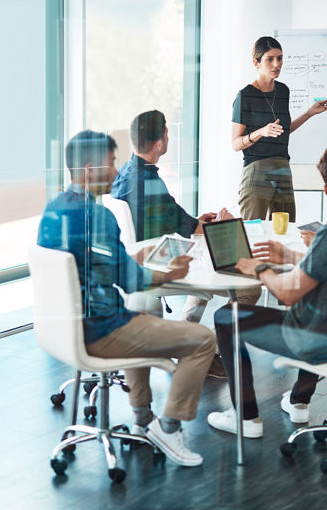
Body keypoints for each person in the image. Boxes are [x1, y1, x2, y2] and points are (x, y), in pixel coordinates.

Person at [37, 130, 216, 467]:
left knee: (143, 320)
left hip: (64, 329)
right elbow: (134, 284)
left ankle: (143, 419)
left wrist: (138, 256)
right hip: (103, 331)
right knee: (204, 339)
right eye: (111, 163)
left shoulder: (55, 208)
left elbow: (94, 266)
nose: (116, 171)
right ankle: (169, 427)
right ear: (90, 169)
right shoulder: (98, 216)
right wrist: (170, 274)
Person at [205, 142, 327, 437]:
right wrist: (291, 257)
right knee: (324, 302)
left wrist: (258, 268)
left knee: (226, 316)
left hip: (323, 343)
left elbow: (287, 293)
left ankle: (245, 417)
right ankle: (299, 400)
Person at [111, 110, 262, 377]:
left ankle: (184, 339)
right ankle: (201, 348)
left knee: (203, 256)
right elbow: (191, 228)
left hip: (140, 254)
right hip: (158, 257)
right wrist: (221, 224)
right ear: (159, 144)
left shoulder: (127, 171)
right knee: (249, 290)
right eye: (167, 133)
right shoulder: (149, 182)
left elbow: (172, 216)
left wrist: (196, 222)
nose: (169, 137)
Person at [232, 36, 327, 221]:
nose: (276, 64)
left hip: (282, 167)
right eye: (270, 59)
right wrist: (261, 132)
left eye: (280, 58)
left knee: (286, 230)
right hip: (257, 169)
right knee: (254, 231)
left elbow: (283, 130)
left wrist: (309, 113)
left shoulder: (283, 91)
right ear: (256, 62)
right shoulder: (245, 96)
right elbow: (236, 144)